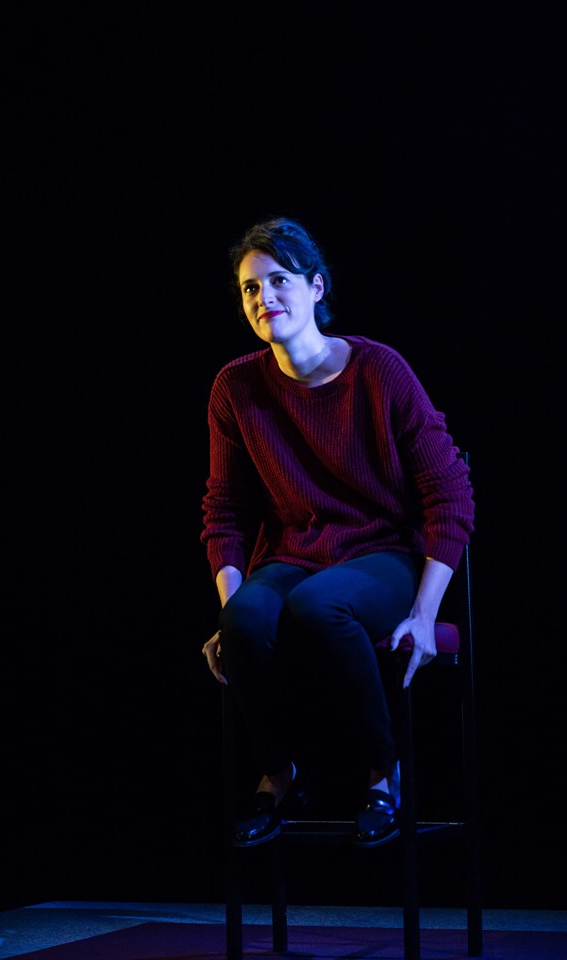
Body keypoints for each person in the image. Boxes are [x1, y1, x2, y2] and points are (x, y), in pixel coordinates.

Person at [200, 216, 475, 848]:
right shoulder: (235, 387)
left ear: (316, 287)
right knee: (244, 618)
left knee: (318, 607)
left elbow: (451, 494)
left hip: (384, 553)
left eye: (279, 280)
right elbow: (225, 510)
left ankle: (383, 771)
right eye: (250, 288)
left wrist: (425, 614)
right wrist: (235, 618)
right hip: (296, 554)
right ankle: (279, 774)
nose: (264, 297)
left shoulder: (378, 370)